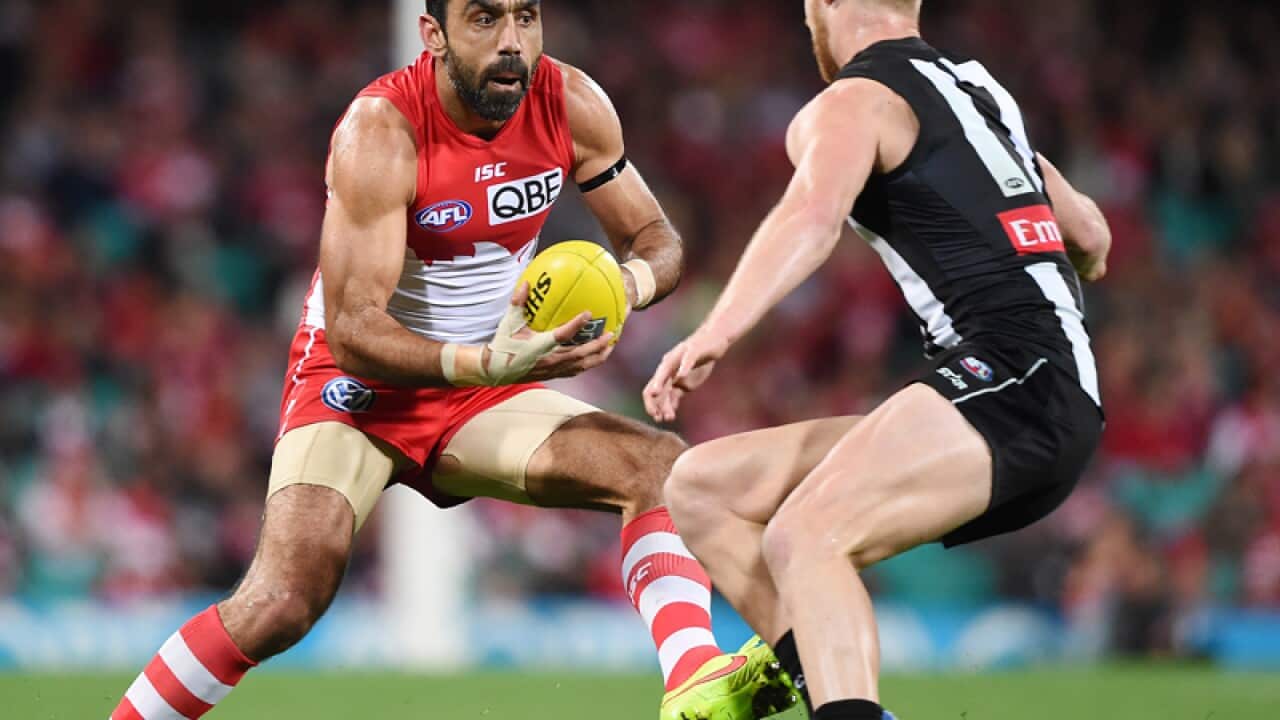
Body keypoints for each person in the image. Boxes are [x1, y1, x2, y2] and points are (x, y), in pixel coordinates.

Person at [107, 2, 794, 719]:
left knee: (658, 469)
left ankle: (694, 682)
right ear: (432, 34)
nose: (510, 43)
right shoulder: (380, 132)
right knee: (282, 601)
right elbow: (352, 330)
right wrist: (483, 364)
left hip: (485, 381)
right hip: (355, 390)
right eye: (484, 19)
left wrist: (630, 285)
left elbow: (657, 237)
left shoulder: (572, 102)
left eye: (526, 18)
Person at [644, 1, 1110, 719]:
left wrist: (717, 329)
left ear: (822, 9)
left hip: (1014, 379)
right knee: (705, 488)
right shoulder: (983, 94)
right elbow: (1091, 235)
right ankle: (814, 674)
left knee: (807, 535)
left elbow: (812, 216)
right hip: (1026, 380)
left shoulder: (852, 102)